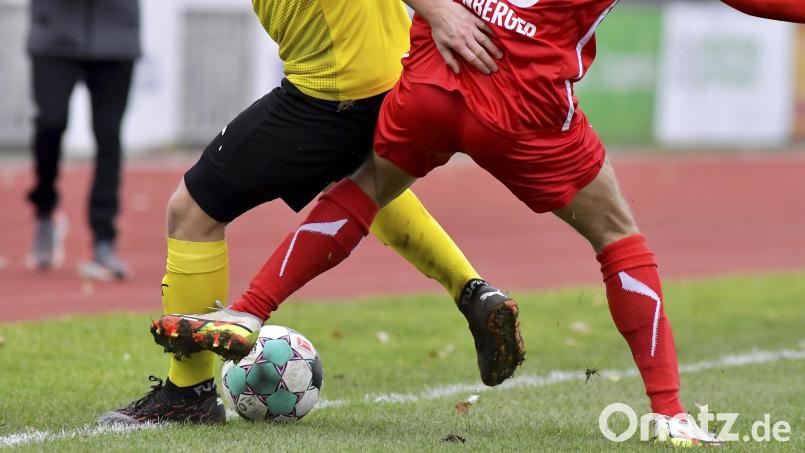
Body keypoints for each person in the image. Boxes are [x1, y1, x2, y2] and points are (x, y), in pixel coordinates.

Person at [150, 0, 804, 446]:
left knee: (364, 191)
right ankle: (669, 414)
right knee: (618, 238)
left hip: (436, 79)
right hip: (522, 101)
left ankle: (250, 310)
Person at [98, 0, 522, 425]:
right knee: (364, 187)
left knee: (192, 211)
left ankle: (187, 394)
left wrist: (440, 11)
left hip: (336, 92)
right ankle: (473, 291)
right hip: (396, 77)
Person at [25, 0, 139, 280]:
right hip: (53, 33)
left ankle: (104, 239)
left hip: (116, 36)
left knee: (109, 135)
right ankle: (45, 210)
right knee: (50, 123)